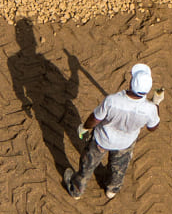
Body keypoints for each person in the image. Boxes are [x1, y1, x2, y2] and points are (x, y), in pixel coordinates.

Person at [64, 63, 161, 200]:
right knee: (119, 167)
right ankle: (112, 190)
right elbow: (153, 127)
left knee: (87, 165)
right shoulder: (150, 109)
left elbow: (95, 118)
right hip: (125, 143)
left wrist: (85, 127)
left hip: (102, 140)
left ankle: (77, 190)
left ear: (131, 83)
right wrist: (156, 104)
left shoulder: (112, 101)